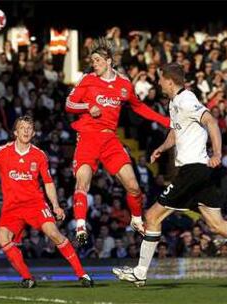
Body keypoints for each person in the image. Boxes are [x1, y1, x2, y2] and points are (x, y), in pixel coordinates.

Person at [113, 63, 227, 286]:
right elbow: (175, 132)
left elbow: (211, 121)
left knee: (153, 216)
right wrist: (161, 149)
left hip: (193, 169)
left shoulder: (187, 100)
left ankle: (140, 273)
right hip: (198, 172)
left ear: (170, 81)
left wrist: (218, 152)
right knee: (217, 224)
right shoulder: (175, 103)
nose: (159, 83)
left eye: (161, 79)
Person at [65, 37, 170, 245]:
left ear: (109, 61)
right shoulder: (87, 80)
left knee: (133, 186)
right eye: (92, 60)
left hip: (110, 139)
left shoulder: (123, 84)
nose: (94, 64)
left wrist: (165, 120)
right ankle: (80, 226)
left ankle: (137, 219)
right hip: (88, 136)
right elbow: (69, 104)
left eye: (97, 60)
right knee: (82, 182)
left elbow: (139, 107)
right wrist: (87, 107)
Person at [0, 115, 93, 288]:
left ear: (33, 133)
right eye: (22, 128)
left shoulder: (39, 155)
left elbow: (48, 182)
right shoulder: (3, 151)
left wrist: (55, 205)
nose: (26, 131)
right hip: (12, 207)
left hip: (35, 204)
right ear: (15, 132)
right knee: (1, 238)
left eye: (29, 128)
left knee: (53, 233)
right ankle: (27, 278)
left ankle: (82, 274)